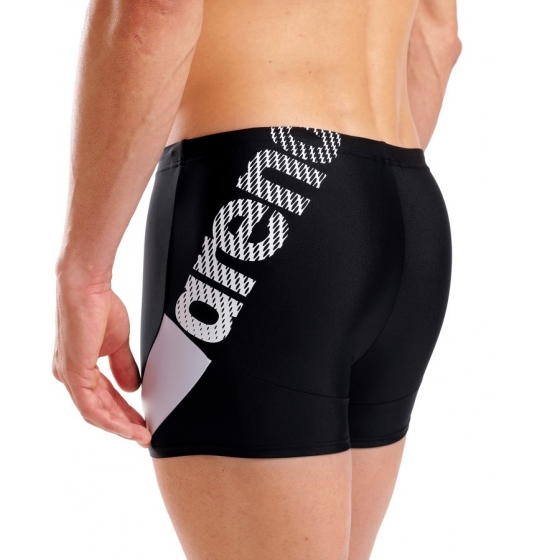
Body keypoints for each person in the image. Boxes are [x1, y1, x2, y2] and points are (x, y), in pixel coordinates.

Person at [52, 0, 461, 558]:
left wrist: (86, 270)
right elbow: (438, 33)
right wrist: (348, 218)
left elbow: (154, 10)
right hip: (407, 207)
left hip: (266, 190)